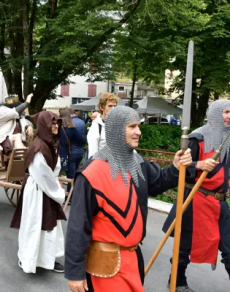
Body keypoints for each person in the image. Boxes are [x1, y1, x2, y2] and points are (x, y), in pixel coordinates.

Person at [65, 106, 193, 292]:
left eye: (138, 126)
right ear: (117, 129)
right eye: (132, 126)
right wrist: (75, 272)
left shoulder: (137, 162)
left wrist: (174, 166)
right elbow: (78, 226)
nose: (139, 132)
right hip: (105, 264)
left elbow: (159, 182)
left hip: (133, 258)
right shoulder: (92, 173)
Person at [162, 99, 230, 291]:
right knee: (184, 247)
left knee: (229, 247)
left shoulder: (228, 139)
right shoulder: (198, 137)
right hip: (194, 198)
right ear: (216, 114)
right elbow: (180, 165)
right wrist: (198, 165)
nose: (229, 116)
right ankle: (177, 281)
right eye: (225, 112)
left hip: (219, 202)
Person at [10, 111, 66, 274]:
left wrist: (56, 187)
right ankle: (27, 258)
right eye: (52, 123)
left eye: (57, 123)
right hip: (38, 191)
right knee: (34, 225)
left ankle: (49, 258)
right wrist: (59, 194)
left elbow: (53, 171)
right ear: (44, 125)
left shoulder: (50, 144)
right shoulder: (38, 148)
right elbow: (43, 176)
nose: (56, 126)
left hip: (47, 189)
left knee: (51, 225)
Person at [87, 92, 118, 158]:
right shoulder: (96, 127)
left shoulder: (118, 124)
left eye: (115, 106)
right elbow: (93, 155)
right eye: (110, 106)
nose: (113, 109)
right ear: (101, 107)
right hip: (103, 165)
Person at [59, 109, 87, 175]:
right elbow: (83, 140)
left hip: (60, 154)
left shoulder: (57, 127)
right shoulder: (72, 128)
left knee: (59, 175)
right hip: (75, 152)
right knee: (72, 176)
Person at [67, 107, 86, 187]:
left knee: (70, 174)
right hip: (80, 151)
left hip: (71, 151)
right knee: (76, 172)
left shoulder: (69, 122)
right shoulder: (82, 122)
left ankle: (70, 193)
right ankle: (75, 191)